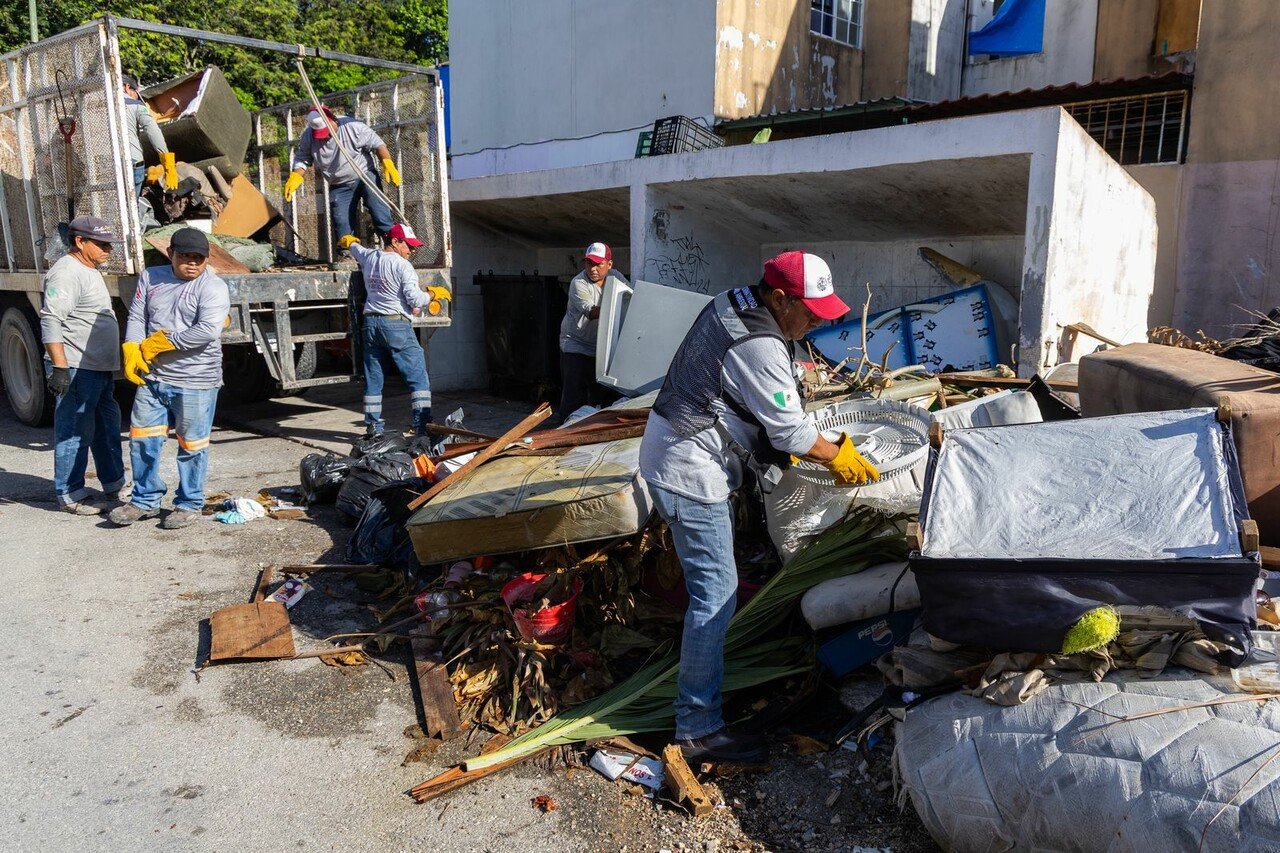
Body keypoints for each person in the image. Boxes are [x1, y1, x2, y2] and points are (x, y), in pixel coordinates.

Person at [638, 250, 881, 763]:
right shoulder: (761, 344)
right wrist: (839, 455)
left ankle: (698, 688)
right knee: (716, 596)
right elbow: (790, 433)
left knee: (713, 587)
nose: (817, 322)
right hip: (688, 469)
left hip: (675, 446)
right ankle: (696, 728)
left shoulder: (736, 300)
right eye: (810, 312)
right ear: (780, 298)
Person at [109, 228, 230, 530]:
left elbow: (207, 331)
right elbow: (138, 316)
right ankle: (145, 500)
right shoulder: (151, 277)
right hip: (154, 378)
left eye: (199, 258)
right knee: (142, 440)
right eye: (185, 257)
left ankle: (189, 504)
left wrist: (164, 342)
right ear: (170, 254)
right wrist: (132, 346)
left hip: (196, 380)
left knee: (191, 445)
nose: (192, 264)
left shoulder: (213, 287)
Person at [39, 216, 127, 515]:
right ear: (80, 241)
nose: (108, 250)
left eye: (110, 245)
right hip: (77, 367)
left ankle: (114, 484)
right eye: (102, 244)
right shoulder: (66, 273)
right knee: (75, 431)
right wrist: (60, 368)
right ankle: (71, 495)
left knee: (106, 427)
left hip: (97, 367)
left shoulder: (88, 269)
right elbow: (51, 319)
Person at [340, 224, 446, 437]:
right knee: (418, 377)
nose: (411, 251)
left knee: (374, 379)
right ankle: (422, 426)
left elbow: (356, 249)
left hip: (371, 325)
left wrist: (350, 243)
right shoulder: (403, 265)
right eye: (408, 246)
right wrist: (434, 294)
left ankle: (373, 428)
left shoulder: (370, 257)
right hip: (396, 325)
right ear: (395, 242)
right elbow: (415, 299)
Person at [283, 107, 401, 248]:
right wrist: (296, 176)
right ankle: (347, 253)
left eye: (326, 131)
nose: (325, 136)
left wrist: (387, 162)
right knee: (341, 222)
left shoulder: (352, 126)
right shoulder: (308, 136)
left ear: (333, 120)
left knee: (380, 213)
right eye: (320, 134)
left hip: (364, 175)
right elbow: (302, 158)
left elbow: (378, 144)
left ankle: (393, 246)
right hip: (339, 183)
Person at [558, 242, 628, 422]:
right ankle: (566, 428)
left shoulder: (616, 277)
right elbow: (592, 312)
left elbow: (629, 297)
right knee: (574, 396)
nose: (593, 269)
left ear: (609, 264)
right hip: (576, 344)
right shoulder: (578, 283)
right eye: (589, 263)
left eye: (598, 264)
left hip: (601, 347)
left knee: (603, 395)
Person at [122, 73, 177, 195]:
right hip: (132, 161)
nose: (137, 97)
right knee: (131, 204)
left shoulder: (96, 105)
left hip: (104, 163)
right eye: (136, 93)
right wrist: (168, 165)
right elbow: (153, 131)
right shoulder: (135, 104)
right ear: (127, 87)